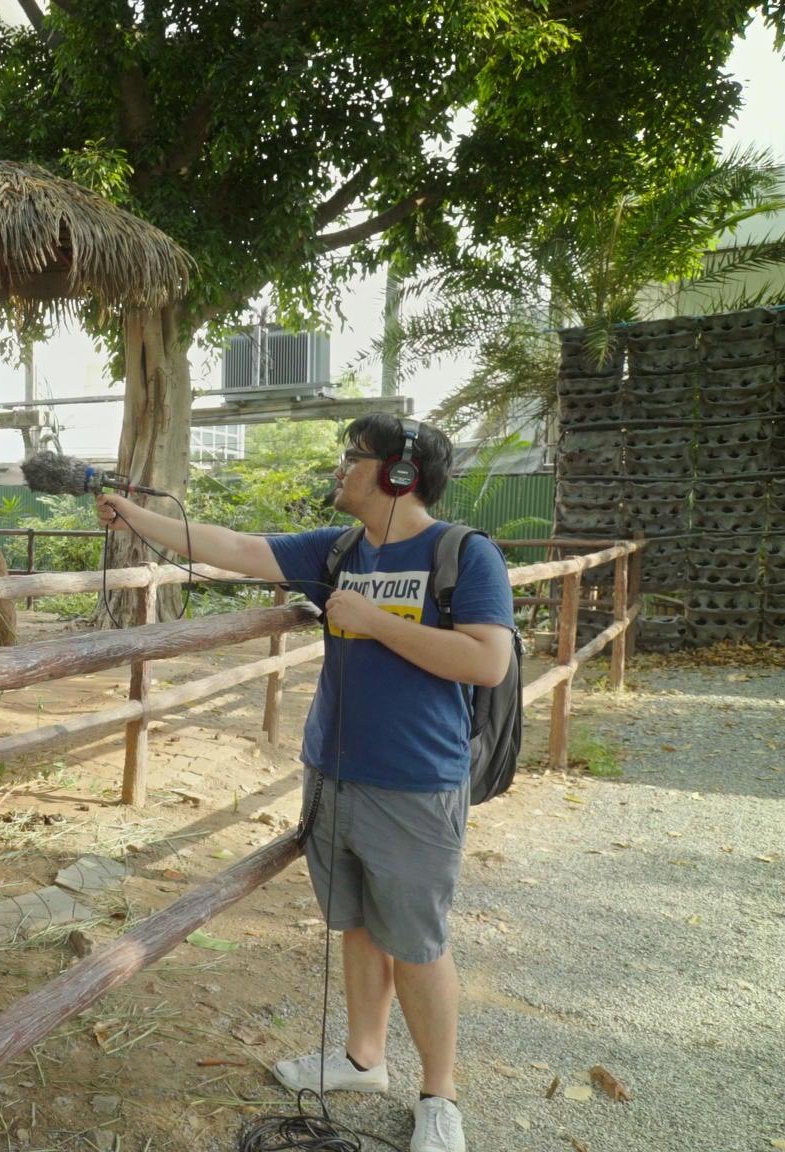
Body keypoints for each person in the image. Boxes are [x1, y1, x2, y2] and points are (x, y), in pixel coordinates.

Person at [97, 415, 513, 1152]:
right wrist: (134, 513)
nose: (340, 469)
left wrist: (374, 620)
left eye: (352, 458)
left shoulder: (463, 555)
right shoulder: (337, 550)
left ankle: (439, 1097)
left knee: (415, 941)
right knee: (354, 920)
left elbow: (487, 662)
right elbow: (231, 547)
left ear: (399, 474)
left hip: (416, 782)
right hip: (333, 773)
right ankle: (362, 1057)